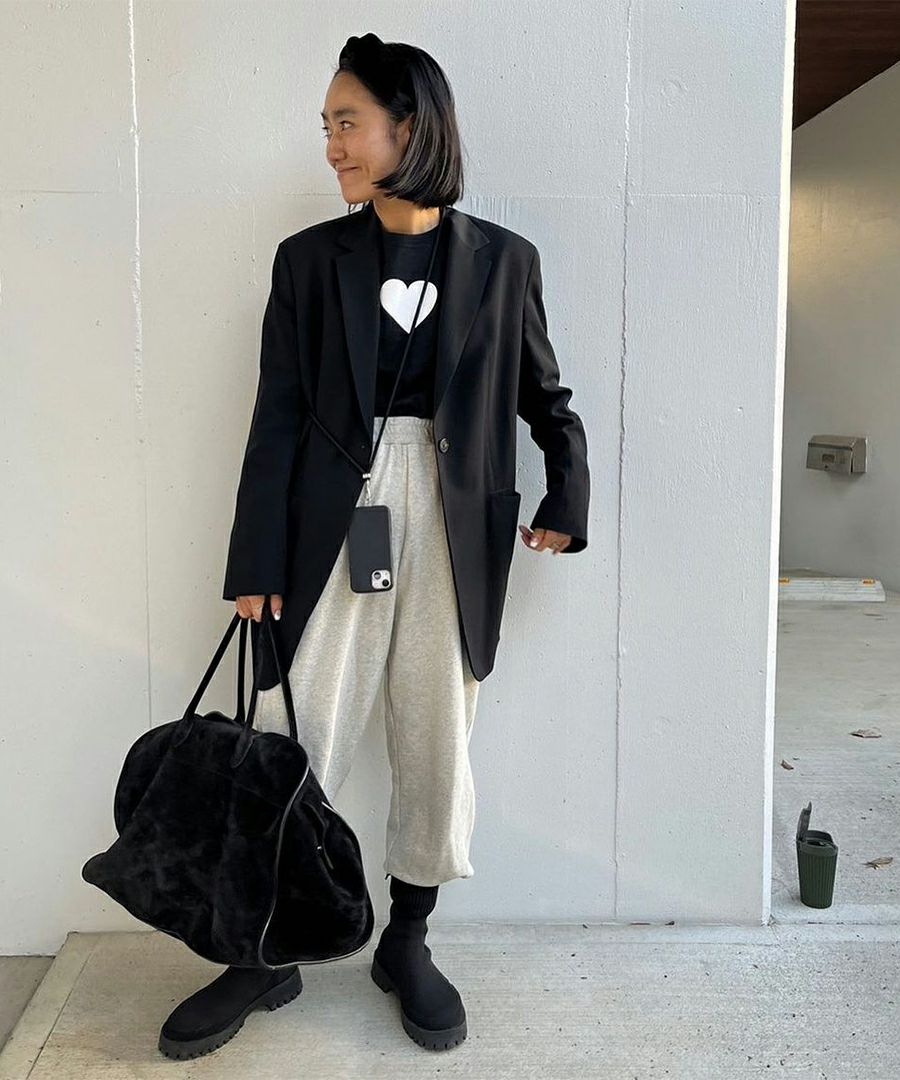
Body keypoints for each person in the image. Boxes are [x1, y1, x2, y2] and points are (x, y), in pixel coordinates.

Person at [159, 32, 589, 1062]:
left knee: (435, 733)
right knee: (296, 728)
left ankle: (408, 940)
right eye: (327, 126)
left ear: (410, 127)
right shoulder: (310, 260)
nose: (332, 146)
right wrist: (254, 563)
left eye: (347, 123)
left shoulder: (503, 262)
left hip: (455, 519)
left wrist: (568, 491)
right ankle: (264, 950)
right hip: (334, 520)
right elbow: (276, 414)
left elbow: (545, 396)